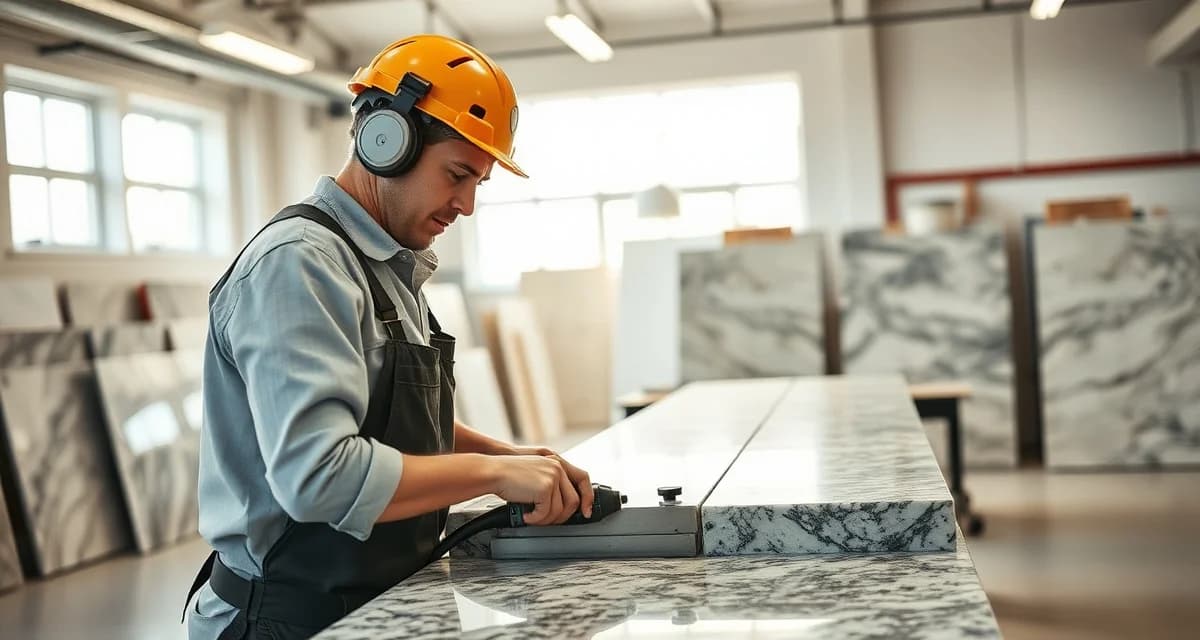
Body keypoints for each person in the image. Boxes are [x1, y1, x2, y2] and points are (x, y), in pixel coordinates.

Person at [184, 34, 593, 640]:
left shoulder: (384, 265)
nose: (467, 204)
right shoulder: (300, 265)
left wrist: (514, 456)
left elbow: (394, 418)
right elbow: (318, 477)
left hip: (367, 599)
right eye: (458, 174)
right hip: (285, 616)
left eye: (478, 182)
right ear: (387, 141)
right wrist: (489, 475)